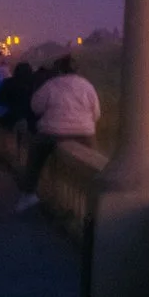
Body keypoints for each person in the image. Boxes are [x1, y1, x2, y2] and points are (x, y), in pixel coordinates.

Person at [20, 54, 99, 213]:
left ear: (58, 70)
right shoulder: (87, 86)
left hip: (53, 131)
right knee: (93, 160)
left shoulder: (51, 85)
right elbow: (96, 113)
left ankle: (29, 193)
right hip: (84, 133)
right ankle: (95, 203)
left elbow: (36, 107)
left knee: (36, 153)